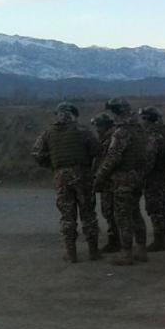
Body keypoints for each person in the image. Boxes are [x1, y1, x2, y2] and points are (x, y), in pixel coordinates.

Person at [31, 102, 102, 263]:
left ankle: (71, 254)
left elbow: (36, 153)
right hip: (83, 175)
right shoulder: (83, 130)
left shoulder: (48, 133)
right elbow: (97, 151)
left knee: (67, 216)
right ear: (74, 115)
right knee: (88, 214)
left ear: (58, 115)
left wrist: (54, 165)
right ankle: (93, 252)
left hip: (61, 176)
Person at [94, 98, 149, 266]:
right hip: (138, 176)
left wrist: (99, 177)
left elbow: (112, 157)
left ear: (118, 112)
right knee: (136, 213)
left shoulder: (121, 132)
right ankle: (141, 249)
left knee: (123, 216)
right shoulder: (139, 129)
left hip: (123, 178)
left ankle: (126, 253)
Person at [138, 106, 165, 252]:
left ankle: (159, 241)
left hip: (154, 177)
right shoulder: (164, 133)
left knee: (154, 208)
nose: (142, 122)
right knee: (161, 207)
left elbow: (149, 160)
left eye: (143, 118)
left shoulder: (152, 136)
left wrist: (140, 175)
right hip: (162, 175)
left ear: (148, 119)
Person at [91, 112, 120, 253]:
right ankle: (115, 239)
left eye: (99, 125)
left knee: (111, 211)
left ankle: (116, 241)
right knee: (109, 211)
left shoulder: (111, 139)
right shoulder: (105, 138)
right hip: (107, 180)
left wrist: (99, 176)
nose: (97, 129)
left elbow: (109, 161)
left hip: (110, 180)